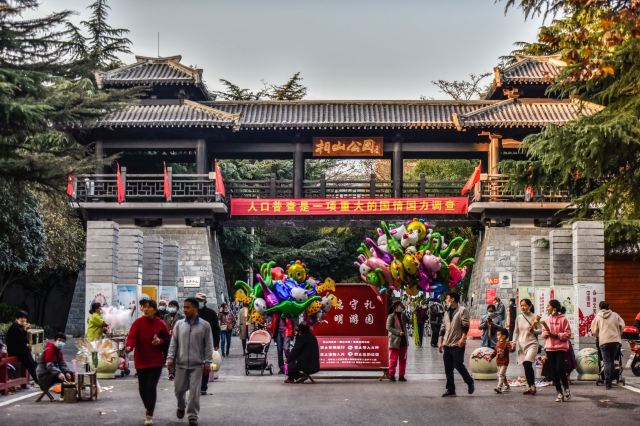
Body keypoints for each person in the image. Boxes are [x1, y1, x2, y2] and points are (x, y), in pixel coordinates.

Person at [167, 297, 214, 426]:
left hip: (197, 365)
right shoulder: (179, 325)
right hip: (180, 364)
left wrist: (208, 362)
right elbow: (173, 343)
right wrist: (170, 359)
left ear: (195, 308)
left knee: (194, 392)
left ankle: (192, 415)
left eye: (188, 307)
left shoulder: (205, 325)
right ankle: (181, 405)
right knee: (179, 390)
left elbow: (209, 345)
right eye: (184, 307)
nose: (185, 310)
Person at [125, 299, 170, 426]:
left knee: (151, 387)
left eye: (149, 307)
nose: (146, 309)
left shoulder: (160, 323)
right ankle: (148, 407)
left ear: (154, 310)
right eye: (143, 307)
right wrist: (129, 347)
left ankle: (149, 413)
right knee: (142, 389)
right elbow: (132, 337)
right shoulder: (137, 323)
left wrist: (159, 342)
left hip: (156, 361)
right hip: (141, 360)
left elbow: (167, 340)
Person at [438, 291, 474, 397]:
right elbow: (443, 327)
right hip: (447, 344)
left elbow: (465, 325)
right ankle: (450, 389)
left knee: (458, 364)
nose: (446, 300)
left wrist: (463, 339)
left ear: (452, 299)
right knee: (448, 368)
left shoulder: (462, 310)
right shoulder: (446, 312)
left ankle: (469, 381)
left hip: (458, 343)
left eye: (447, 298)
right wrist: (440, 342)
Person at [540, 299, 572, 403]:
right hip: (549, 348)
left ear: (554, 308)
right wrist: (546, 333)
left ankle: (566, 388)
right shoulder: (547, 320)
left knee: (560, 368)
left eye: (548, 306)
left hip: (561, 347)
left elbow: (568, 334)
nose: (547, 308)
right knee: (553, 371)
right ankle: (559, 392)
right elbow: (543, 333)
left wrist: (557, 335)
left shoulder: (563, 319)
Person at [591, 301, 625, 389]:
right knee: (611, 360)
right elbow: (622, 325)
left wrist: (599, 335)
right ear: (608, 307)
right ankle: (611, 378)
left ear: (599, 307)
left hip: (604, 341)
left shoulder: (598, 317)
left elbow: (594, 331)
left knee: (606, 362)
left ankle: (607, 381)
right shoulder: (615, 315)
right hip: (615, 341)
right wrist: (618, 333)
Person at [512, 298, 541, 396]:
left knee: (527, 363)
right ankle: (530, 386)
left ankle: (532, 386)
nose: (523, 307)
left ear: (530, 306)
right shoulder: (519, 317)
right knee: (526, 365)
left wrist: (534, 331)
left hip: (532, 344)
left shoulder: (535, 317)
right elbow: (516, 331)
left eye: (524, 305)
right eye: (521, 305)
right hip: (521, 345)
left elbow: (540, 330)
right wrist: (513, 342)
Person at [194, 293, 220, 396]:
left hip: (207, 343)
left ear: (205, 302)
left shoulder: (211, 314)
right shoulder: (192, 312)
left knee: (205, 365)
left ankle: (203, 387)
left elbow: (216, 329)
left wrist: (216, 342)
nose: (198, 302)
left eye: (200, 300)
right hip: (193, 343)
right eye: (196, 300)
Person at [6, 311, 39, 385]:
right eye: (22, 318)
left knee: (32, 364)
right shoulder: (15, 326)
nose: (24, 320)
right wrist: (25, 330)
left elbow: (23, 340)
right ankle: (38, 381)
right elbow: (20, 340)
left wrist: (25, 330)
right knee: (32, 364)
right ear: (17, 319)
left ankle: (38, 380)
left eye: (25, 318)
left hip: (20, 350)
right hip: (17, 351)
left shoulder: (19, 327)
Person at [386, 300, 410, 382]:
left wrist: (415, 315)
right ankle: (391, 375)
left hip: (403, 341)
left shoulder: (403, 315)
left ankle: (401, 376)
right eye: (400, 305)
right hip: (395, 341)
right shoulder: (391, 316)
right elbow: (388, 327)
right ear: (396, 306)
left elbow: (410, 321)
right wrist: (398, 333)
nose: (401, 307)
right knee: (393, 359)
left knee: (403, 359)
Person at [488, 328, 515, 393]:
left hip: (504, 362)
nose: (497, 336)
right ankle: (507, 386)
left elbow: (511, 350)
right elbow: (495, 352)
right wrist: (491, 357)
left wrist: (513, 346)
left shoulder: (507, 343)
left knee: (501, 374)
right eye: (497, 335)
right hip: (498, 362)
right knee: (502, 375)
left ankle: (499, 387)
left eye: (498, 335)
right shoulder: (497, 343)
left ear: (503, 336)